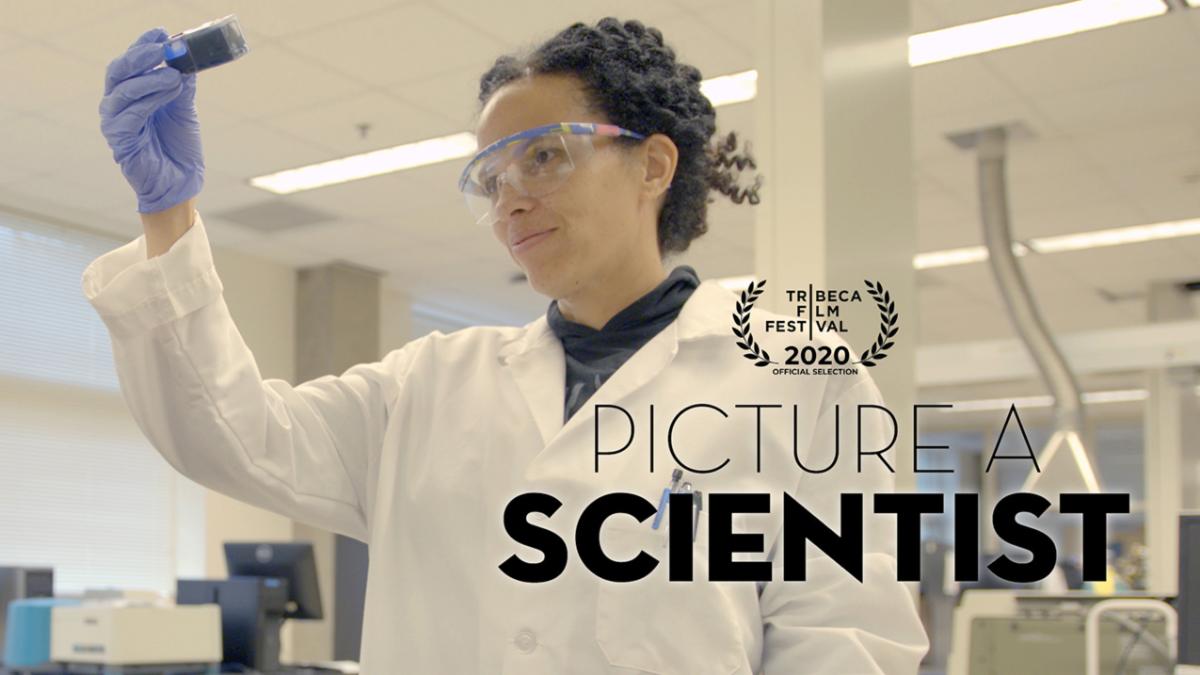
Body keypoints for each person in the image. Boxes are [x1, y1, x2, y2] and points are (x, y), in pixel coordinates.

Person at [87, 17, 928, 674]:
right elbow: (232, 437)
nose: (510, 201)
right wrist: (169, 214)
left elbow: (844, 633)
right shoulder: (428, 386)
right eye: (491, 180)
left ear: (654, 165)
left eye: (545, 158)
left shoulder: (792, 380)